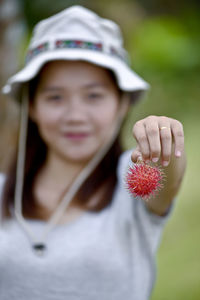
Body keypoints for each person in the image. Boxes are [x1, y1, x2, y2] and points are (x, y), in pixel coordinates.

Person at [0, 5, 186, 300]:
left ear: (123, 103)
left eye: (93, 95)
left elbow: (167, 181)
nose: (75, 115)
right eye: (55, 97)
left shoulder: (130, 184)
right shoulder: (2, 191)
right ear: (32, 106)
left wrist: (165, 140)